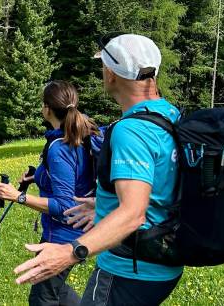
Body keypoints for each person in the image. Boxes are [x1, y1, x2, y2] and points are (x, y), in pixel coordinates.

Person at [13, 34, 183, 306]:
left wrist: (70, 252)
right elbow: (161, 183)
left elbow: (133, 214)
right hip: (163, 261)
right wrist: (103, 203)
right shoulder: (168, 115)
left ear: (112, 74)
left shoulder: (131, 131)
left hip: (129, 268)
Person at [0, 80, 99, 306]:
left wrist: (18, 196)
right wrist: (38, 177)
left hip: (61, 236)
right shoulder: (75, 135)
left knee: (42, 299)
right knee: (55, 290)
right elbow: (72, 177)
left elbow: (64, 206)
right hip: (72, 231)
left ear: (47, 108)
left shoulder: (60, 147)